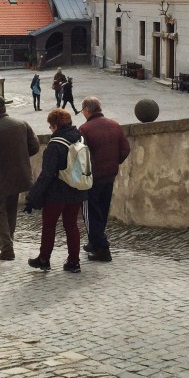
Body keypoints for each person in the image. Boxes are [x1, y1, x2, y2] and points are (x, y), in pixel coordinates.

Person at [0, 95, 39, 260]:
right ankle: (7, 241)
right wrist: (20, 156)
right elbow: (35, 146)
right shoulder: (22, 125)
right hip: (19, 177)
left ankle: (7, 246)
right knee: (11, 210)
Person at [25, 108, 88, 273]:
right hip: (76, 189)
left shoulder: (55, 144)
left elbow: (47, 174)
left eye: (50, 126)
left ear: (54, 125)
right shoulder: (80, 138)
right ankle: (74, 262)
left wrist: (33, 197)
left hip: (57, 193)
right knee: (71, 225)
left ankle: (44, 259)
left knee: (49, 226)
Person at [78, 97, 130, 262]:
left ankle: (103, 248)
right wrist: (116, 162)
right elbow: (125, 149)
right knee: (102, 210)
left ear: (87, 110)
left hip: (92, 177)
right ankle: (94, 243)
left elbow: (82, 155)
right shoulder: (115, 125)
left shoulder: (85, 129)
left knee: (91, 213)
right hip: (109, 175)